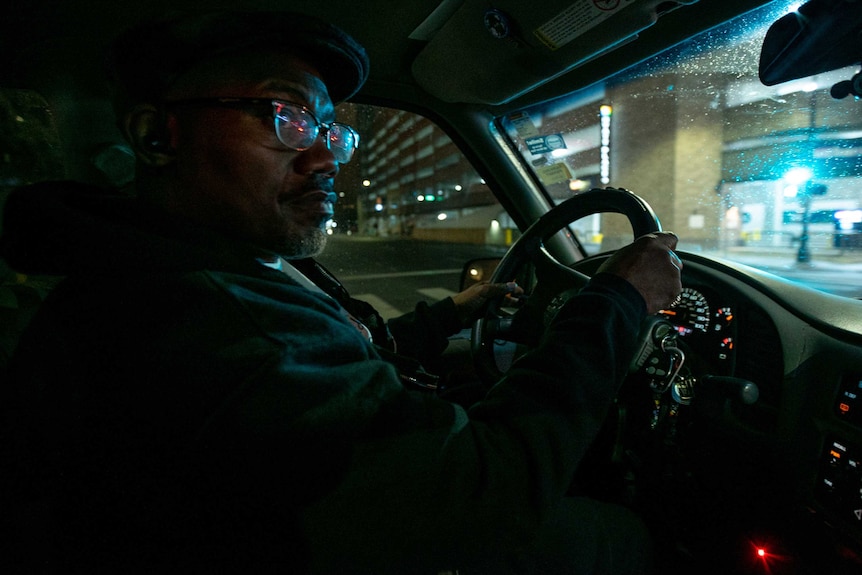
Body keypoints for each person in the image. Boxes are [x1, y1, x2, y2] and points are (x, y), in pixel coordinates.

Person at [0, 10, 682, 574]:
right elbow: (479, 497)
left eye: (328, 129)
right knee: (620, 534)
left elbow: (331, 357)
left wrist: (448, 315)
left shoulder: (199, 268)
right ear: (158, 135)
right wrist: (618, 302)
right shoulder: (200, 320)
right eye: (284, 116)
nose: (325, 155)